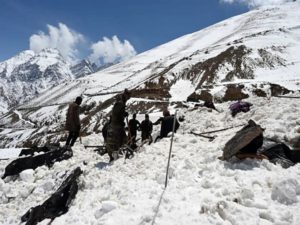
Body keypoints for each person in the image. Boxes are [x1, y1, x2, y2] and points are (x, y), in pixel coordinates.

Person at [106, 89, 131, 162]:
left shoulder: (121, 102)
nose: (128, 98)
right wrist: (123, 115)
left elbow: (119, 112)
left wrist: (123, 113)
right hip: (116, 124)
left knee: (122, 140)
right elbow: (116, 113)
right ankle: (115, 156)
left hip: (117, 124)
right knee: (119, 140)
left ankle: (117, 154)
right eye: (128, 96)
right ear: (126, 95)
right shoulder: (120, 103)